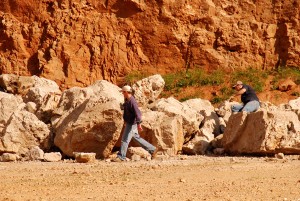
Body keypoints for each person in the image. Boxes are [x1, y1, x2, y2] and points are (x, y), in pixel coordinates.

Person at [113, 85, 158, 162]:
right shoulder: (128, 100)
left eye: (123, 92)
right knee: (137, 138)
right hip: (130, 123)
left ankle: (121, 157)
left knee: (124, 140)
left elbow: (138, 113)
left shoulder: (132, 101)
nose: (122, 94)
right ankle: (152, 149)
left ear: (126, 92)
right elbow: (127, 108)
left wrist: (139, 124)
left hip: (131, 124)